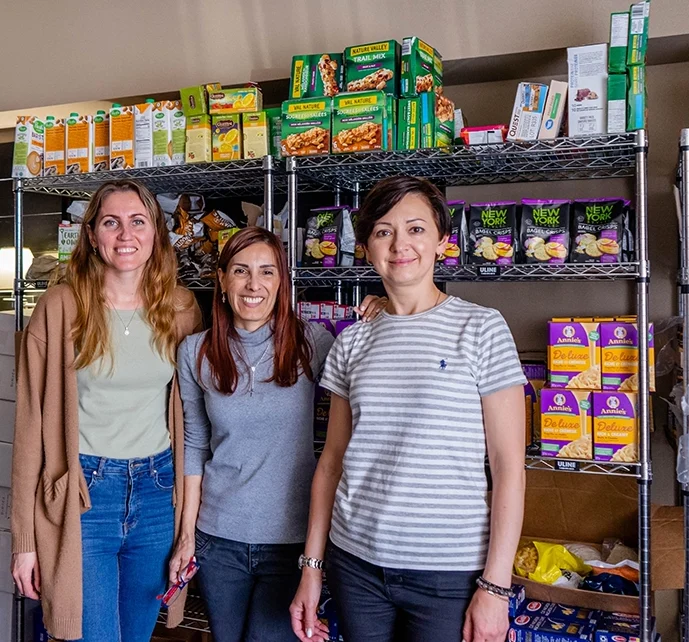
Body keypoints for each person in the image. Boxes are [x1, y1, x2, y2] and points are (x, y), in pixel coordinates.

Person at [290, 176, 527, 642]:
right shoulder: (352, 340)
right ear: (365, 247)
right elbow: (332, 463)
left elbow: (509, 468)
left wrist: (496, 587)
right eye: (383, 231)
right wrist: (312, 568)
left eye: (416, 229)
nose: (400, 244)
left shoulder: (482, 329)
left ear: (442, 240)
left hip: (449, 574)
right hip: (355, 564)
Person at [169, 226, 386, 642]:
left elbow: (371, 381)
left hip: (292, 543)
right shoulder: (195, 351)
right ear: (222, 279)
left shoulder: (312, 342)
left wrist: (384, 309)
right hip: (218, 541)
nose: (254, 285)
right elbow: (195, 446)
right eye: (241, 271)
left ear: (282, 282)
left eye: (267, 272)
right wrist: (186, 536)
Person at [10, 180, 202, 642]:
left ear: (156, 233)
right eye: (111, 222)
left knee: (135, 636)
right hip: (84, 495)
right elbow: (30, 429)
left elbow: (197, 413)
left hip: (158, 494)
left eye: (138, 221)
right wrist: (25, 543)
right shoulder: (59, 308)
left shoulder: (180, 308)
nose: (125, 234)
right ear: (92, 234)